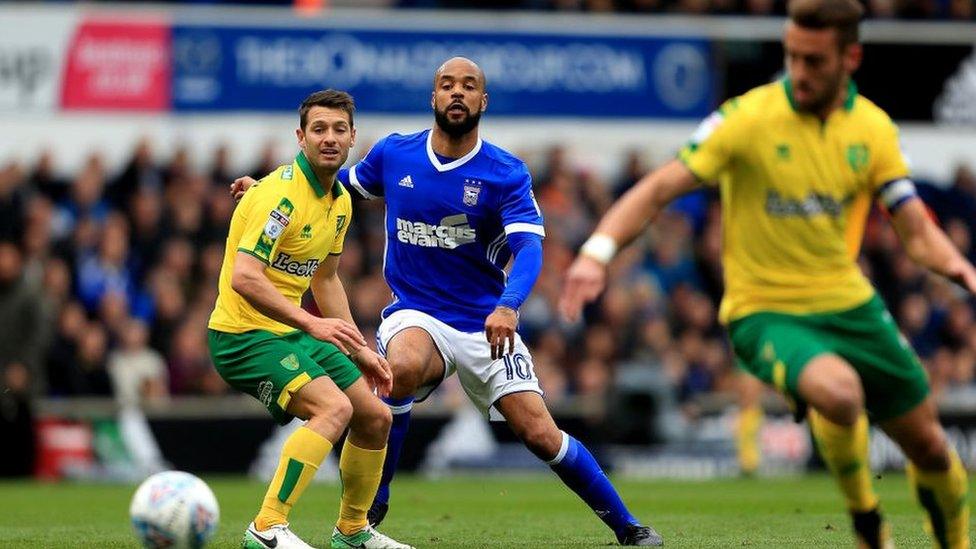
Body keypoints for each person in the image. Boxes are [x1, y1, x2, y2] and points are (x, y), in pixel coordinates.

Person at [559, 0, 973, 546]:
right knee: (842, 393)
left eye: (814, 61)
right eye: (792, 57)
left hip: (851, 304)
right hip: (766, 310)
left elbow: (916, 230)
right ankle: (866, 518)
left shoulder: (872, 130)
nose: (799, 73)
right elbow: (659, 187)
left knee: (932, 448)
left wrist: (961, 267)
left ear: (851, 57)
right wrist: (597, 251)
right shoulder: (747, 119)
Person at [234, 57, 662, 547]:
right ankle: (371, 510)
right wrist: (264, 187)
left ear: (483, 101)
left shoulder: (505, 172)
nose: (457, 93)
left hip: (485, 319)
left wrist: (509, 303)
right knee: (403, 364)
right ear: (433, 98)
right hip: (415, 311)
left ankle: (628, 526)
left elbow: (529, 248)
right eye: (446, 85)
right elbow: (328, 183)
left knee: (541, 433)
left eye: (468, 86)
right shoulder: (395, 154)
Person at [209, 90, 412, 549]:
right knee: (333, 408)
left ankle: (353, 532)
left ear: (352, 138)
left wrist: (359, 348)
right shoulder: (278, 198)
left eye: (339, 130)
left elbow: (326, 280)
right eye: (319, 129)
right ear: (301, 137)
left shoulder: (339, 201)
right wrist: (313, 324)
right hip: (242, 336)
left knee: (376, 416)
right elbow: (244, 277)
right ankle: (266, 528)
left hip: (292, 333)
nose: (329, 138)